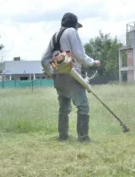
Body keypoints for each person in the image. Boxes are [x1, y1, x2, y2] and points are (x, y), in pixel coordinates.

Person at [41, 12, 101, 142]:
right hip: (72, 74)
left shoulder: (54, 36)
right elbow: (80, 54)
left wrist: (51, 72)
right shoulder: (71, 32)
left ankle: (63, 136)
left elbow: (44, 60)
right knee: (83, 106)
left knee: (64, 107)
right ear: (74, 24)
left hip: (58, 77)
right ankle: (83, 137)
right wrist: (93, 62)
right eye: (76, 26)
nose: (77, 29)